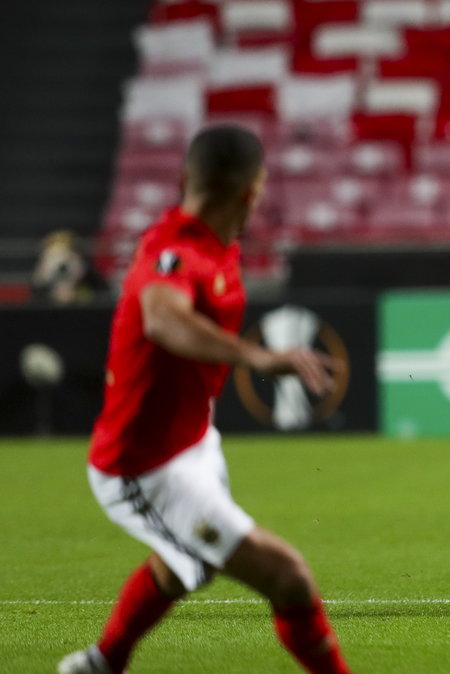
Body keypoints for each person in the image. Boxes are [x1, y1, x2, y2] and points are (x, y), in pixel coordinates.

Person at [58, 126, 351, 674]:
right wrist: (257, 356)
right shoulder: (175, 251)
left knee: (185, 566)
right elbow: (163, 317)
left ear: (183, 180)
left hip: (192, 440)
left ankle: (101, 664)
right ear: (250, 193)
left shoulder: (213, 245)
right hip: (141, 467)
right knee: (288, 576)